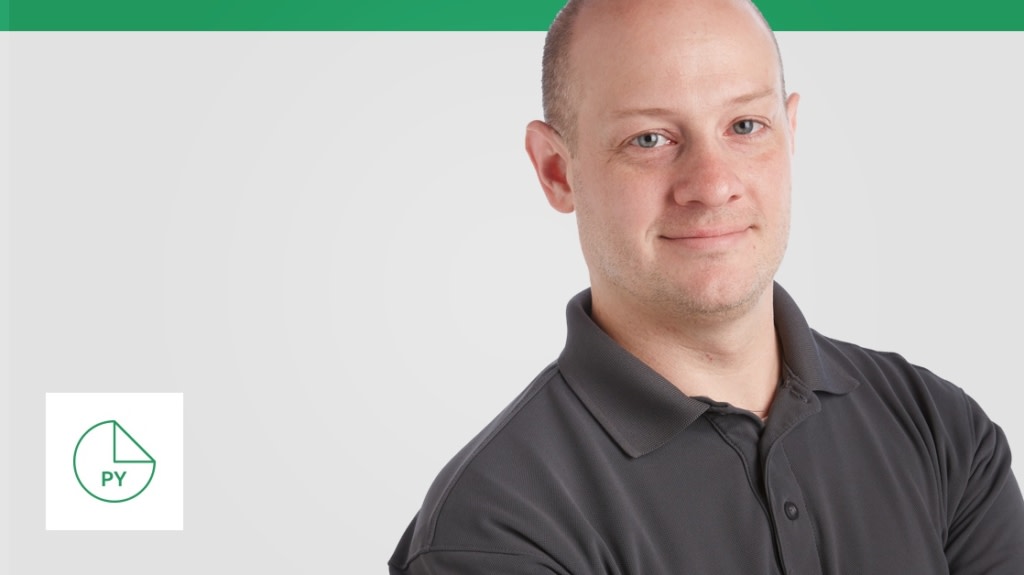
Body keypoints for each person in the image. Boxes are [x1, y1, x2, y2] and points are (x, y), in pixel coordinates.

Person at [388, 0, 1024, 572]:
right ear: (557, 170)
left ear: (790, 132)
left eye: (745, 126)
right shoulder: (495, 531)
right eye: (649, 139)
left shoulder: (941, 430)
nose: (713, 185)